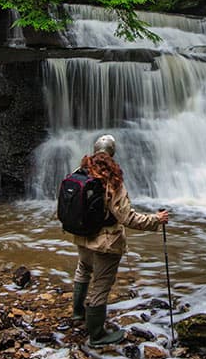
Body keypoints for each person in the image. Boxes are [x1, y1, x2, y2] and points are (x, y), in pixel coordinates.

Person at [70, 134, 169, 346]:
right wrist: (156, 219)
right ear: (113, 153)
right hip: (106, 243)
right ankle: (96, 335)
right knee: (101, 286)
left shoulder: (80, 172)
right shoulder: (111, 181)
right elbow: (127, 218)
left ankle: (78, 313)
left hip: (82, 237)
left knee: (83, 270)